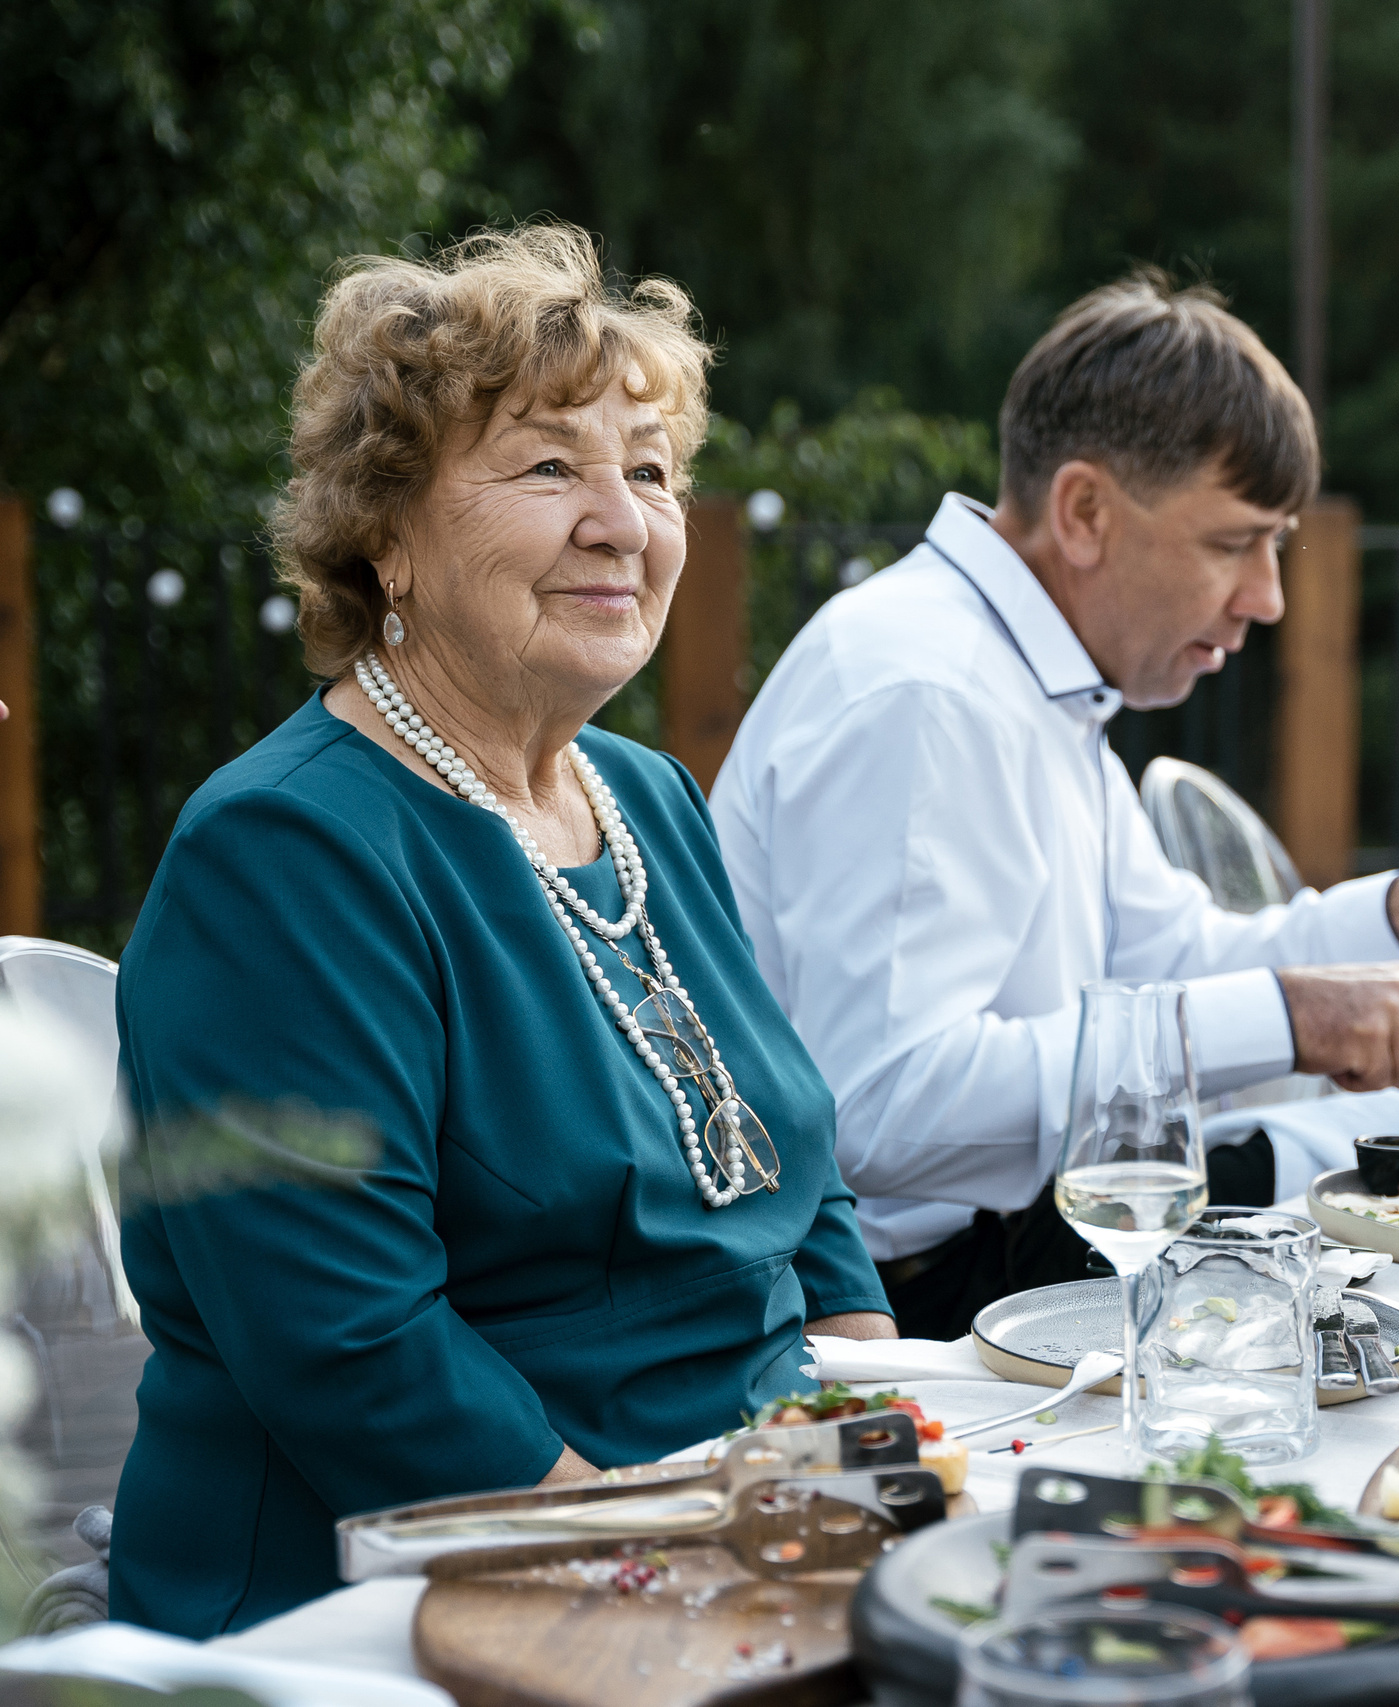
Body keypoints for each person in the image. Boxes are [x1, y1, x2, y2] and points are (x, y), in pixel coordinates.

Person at [109, 226, 892, 1636]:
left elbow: (797, 1171)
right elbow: (355, 1354)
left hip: (742, 1518)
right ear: (387, 536)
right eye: (548, 467)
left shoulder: (645, 794)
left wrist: (880, 1437)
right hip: (414, 1586)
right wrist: (665, 1574)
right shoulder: (288, 851)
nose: (625, 521)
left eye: (649, 472)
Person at [712, 272, 1399, 1339]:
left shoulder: (1023, 674)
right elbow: (883, 1110)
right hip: (904, 1303)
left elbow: (1167, 956)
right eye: (1235, 542)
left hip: (1003, 1244)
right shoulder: (928, 690)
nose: (1268, 597)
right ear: (1084, 512)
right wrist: (1289, 1022)